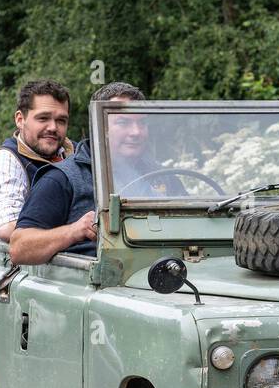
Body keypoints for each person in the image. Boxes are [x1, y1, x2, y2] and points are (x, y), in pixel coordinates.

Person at [11, 82, 164, 265]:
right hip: (96, 286)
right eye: (123, 122)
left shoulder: (162, 177)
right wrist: (74, 231)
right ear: (99, 126)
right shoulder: (62, 179)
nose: (136, 132)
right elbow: (19, 248)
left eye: (142, 123)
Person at [0, 79, 73, 242]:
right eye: (43, 118)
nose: (53, 127)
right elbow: (8, 227)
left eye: (61, 120)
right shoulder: (9, 159)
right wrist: (74, 232)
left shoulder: (76, 153)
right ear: (20, 119)